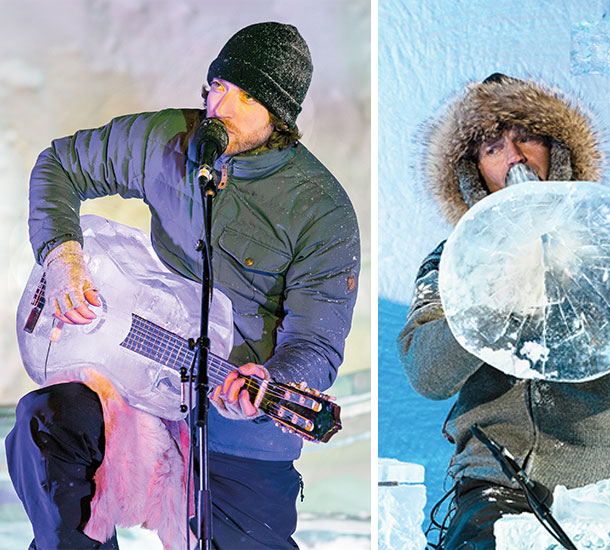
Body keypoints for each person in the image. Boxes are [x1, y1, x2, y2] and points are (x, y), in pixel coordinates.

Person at [6, 21, 361, 549]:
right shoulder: (168, 138)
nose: (223, 106)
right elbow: (60, 163)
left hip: (233, 421)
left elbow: (316, 339)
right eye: (219, 87)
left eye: (247, 96)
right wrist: (63, 256)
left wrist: (271, 379)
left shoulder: (321, 209)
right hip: (132, 387)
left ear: (280, 117)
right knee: (45, 423)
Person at [397, 73, 610, 549]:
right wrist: (485, 300)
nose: (514, 157)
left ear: (556, 147)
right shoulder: (454, 259)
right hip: (506, 484)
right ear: (473, 169)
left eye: (527, 137)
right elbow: (426, 373)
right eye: (493, 148)